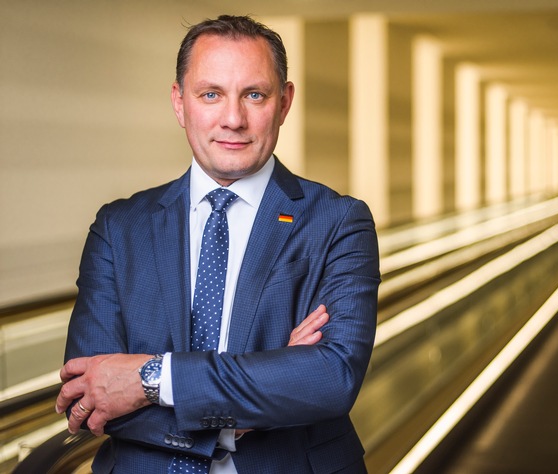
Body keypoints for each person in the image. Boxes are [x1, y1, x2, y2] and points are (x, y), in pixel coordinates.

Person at [55, 15, 380, 474]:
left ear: (284, 102)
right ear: (179, 102)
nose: (233, 119)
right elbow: (91, 395)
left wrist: (151, 379)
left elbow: (330, 378)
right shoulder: (119, 228)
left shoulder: (338, 222)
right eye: (211, 94)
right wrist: (255, 400)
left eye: (254, 95)